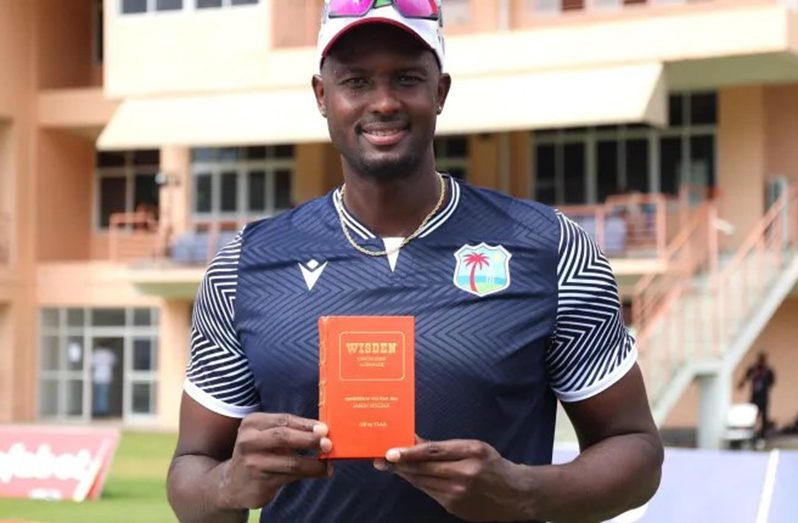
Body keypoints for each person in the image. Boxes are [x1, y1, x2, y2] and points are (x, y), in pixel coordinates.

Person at [167, 1, 663, 521]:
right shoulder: (246, 264)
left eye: (406, 78)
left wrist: (522, 490)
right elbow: (191, 471)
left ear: (440, 91)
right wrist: (229, 484)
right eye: (355, 82)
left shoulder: (551, 247)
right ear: (322, 95)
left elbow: (636, 450)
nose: (383, 103)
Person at [738, 352, 776, 439]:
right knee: (753, 415)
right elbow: (745, 377)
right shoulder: (753, 369)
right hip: (755, 395)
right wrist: (741, 384)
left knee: (764, 415)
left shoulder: (768, 370)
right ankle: (752, 433)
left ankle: (763, 434)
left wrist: (765, 385)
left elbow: (772, 381)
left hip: (764, 396)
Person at [91, 347, 117, 417]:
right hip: (106, 377)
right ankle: (103, 412)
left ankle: (98, 412)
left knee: (98, 396)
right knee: (104, 396)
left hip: (98, 377)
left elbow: (91, 363)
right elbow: (113, 363)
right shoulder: (110, 354)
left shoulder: (96, 353)